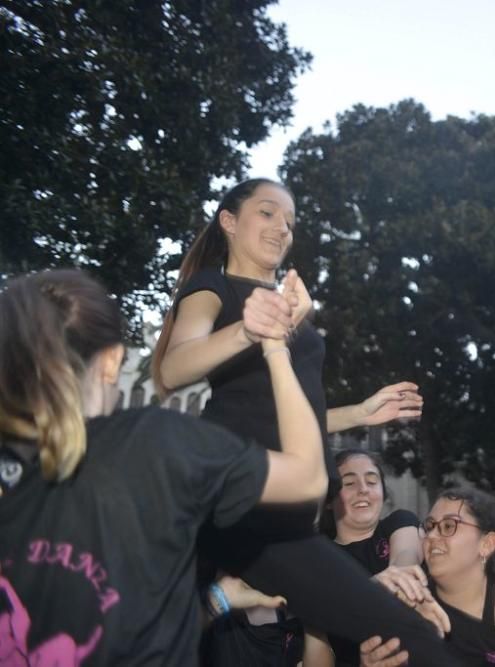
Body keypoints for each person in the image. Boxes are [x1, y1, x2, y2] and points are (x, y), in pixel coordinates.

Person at [149, 178, 456, 666]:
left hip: (292, 508)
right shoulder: (212, 287)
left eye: (290, 222)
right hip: (236, 498)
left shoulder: (292, 313)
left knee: (406, 634)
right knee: (408, 635)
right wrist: (252, 329)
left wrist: (360, 413)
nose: (281, 228)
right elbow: (173, 367)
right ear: (229, 222)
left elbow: (286, 413)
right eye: (267, 213)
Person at [0, 269, 327, 664]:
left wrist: (219, 600)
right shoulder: (153, 445)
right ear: (111, 363)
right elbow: (307, 477)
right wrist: (275, 346)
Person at [363, 487, 495, 666]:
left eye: (449, 526)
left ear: (486, 544)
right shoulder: (406, 605)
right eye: (430, 526)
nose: (432, 536)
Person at [302, 449, 435, 667]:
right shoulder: (317, 560)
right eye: (349, 483)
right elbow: (317, 643)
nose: (363, 490)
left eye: (372, 481)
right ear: (328, 499)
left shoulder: (398, 522)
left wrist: (378, 587)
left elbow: (405, 561)